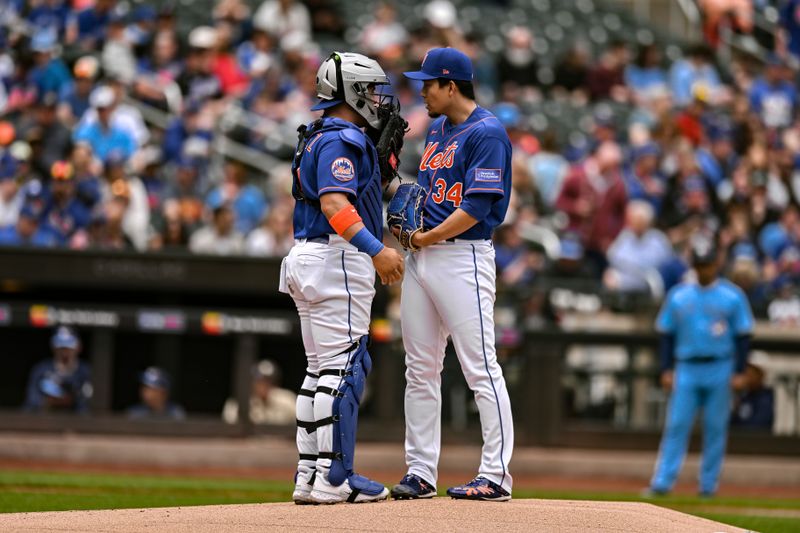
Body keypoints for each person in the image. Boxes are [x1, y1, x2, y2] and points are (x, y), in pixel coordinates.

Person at [279, 51, 404, 504]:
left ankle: (310, 474)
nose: (378, 99)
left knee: (318, 372)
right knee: (344, 368)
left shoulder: (320, 134)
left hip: (308, 254)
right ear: (352, 90)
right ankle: (335, 478)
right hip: (338, 257)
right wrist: (376, 251)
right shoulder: (343, 137)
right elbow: (335, 204)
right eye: (371, 90)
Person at [390, 47, 514, 502]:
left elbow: (477, 208)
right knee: (419, 368)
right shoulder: (439, 128)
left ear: (452, 85)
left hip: (463, 256)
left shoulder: (488, 133)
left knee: (480, 367)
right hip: (424, 257)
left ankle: (496, 475)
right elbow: (428, 193)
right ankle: (420, 471)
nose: (422, 90)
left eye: (429, 83)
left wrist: (425, 238)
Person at [645, 238, 754, 497]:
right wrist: (665, 368)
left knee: (715, 428)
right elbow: (666, 335)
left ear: (716, 264)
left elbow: (743, 336)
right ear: (694, 265)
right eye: (700, 265)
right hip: (687, 366)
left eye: (708, 264)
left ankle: (708, 486)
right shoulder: (679, 294)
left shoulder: (732, 295)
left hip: (720, 365)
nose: (704, 270)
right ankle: (662, 482)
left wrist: (739, 371)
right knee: (676, 425)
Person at [23, 326, 92, 414]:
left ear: (78, 347)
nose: (65, 351)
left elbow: (89, 405)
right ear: (53, 346)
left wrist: (73, 400)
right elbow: (31, 401)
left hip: (76, 422)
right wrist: (50, 402)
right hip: (45, 421)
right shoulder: (41, 370)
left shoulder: (85, 371)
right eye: (61, 346)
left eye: (69, 346)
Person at [221, 359, 297, 425]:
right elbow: (229, 429)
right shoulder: (239, 402)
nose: (265, 385)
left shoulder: (288, 400)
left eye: (269, 381)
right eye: (260, 381)